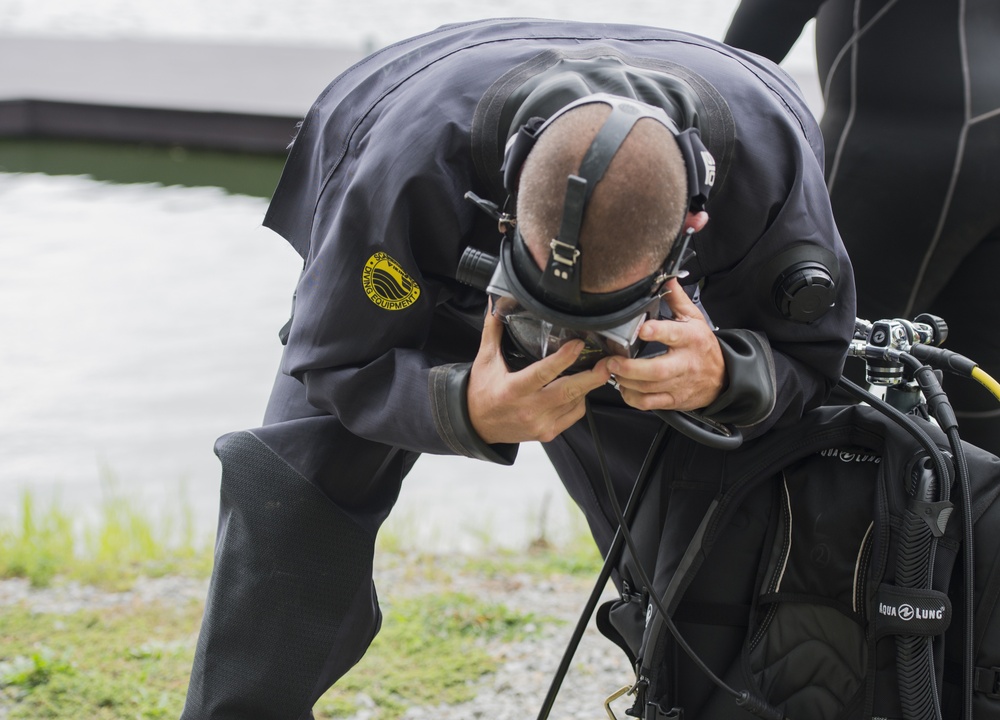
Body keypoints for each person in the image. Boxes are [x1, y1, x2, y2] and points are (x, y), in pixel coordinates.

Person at [180, 18, 856, 720]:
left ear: (692, 232)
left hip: (663, 321)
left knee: (710, 535)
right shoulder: (403, 170)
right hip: (439, 249)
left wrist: (724, 376)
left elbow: (814, 357)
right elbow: (336, 359)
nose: (559, 340)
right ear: (501, 210)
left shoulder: (771, 174)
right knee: (289, 500)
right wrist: (460, 408)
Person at [725, 0, 1000, 455]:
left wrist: (695, 120)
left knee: (804, 376)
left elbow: (768, 20)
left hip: (895, 143)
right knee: (977, 404)